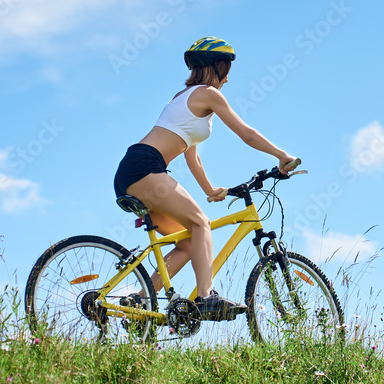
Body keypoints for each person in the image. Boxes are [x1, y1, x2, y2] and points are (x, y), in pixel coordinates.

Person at [113, 36, 299, 318]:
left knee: (188, 241)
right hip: (146, 166)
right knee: (201, 223)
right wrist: (281, 155)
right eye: (227, 70)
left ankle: (140, 301)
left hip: (134, 168)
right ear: (220, 66)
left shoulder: (184, 98)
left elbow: (191, 155)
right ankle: (206, 297)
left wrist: (210, 190)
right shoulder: (209, 94)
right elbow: (245, 132)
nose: (228, 79)